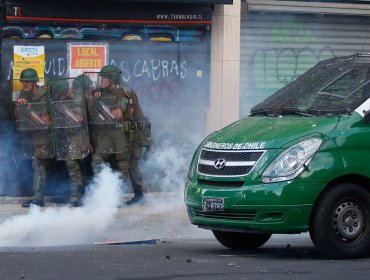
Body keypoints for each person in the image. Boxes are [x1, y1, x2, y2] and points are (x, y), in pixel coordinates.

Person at [88, 65, 145, 204]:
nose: (101, 80)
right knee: (99, 160)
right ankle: (104, 195)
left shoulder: (123, 92)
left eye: (104, 78)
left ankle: (126, 196)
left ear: (112, 79)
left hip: (125, 135)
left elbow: (117, 115)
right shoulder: (103, 91)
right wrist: (96, 97)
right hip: (109, 135)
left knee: (125, 165)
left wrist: (101, 103)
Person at [49, 78, 90, 207]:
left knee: (71, 161)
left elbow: (79, 119)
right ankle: (78, 192)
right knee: (71, 163)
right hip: (65, 135)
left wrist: (64, 110)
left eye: (61, 95)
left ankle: (76, 195)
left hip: (79, 135)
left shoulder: (76, 98)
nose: (59, 98)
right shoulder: (60, 100)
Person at [15, 68, 51, 207]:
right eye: (23, 81)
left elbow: (45, 122)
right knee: (34, 164)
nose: (24, 83)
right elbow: (18, 117)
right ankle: (36, 196)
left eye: (28, 81)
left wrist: (29, 109)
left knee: (39, 164)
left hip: (43, 136)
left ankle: (38, 198)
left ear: (35, 81)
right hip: (30, 135)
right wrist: (20, 106)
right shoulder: (24, 94)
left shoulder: (43, 96)